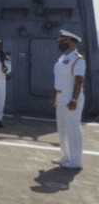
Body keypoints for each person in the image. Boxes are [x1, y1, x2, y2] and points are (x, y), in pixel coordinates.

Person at [50, 30, 85, 170]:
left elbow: (79, 80)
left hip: (71, 96)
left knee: (73, 129)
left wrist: (74, 100)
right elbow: (58, 79)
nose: (60, 43)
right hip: (60, 96)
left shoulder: (78, 59)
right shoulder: (61, 58)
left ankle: (76, 161)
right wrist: (54, 96)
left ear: (72, 43)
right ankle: (65, 156)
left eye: (63, 41)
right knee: (62, 128)